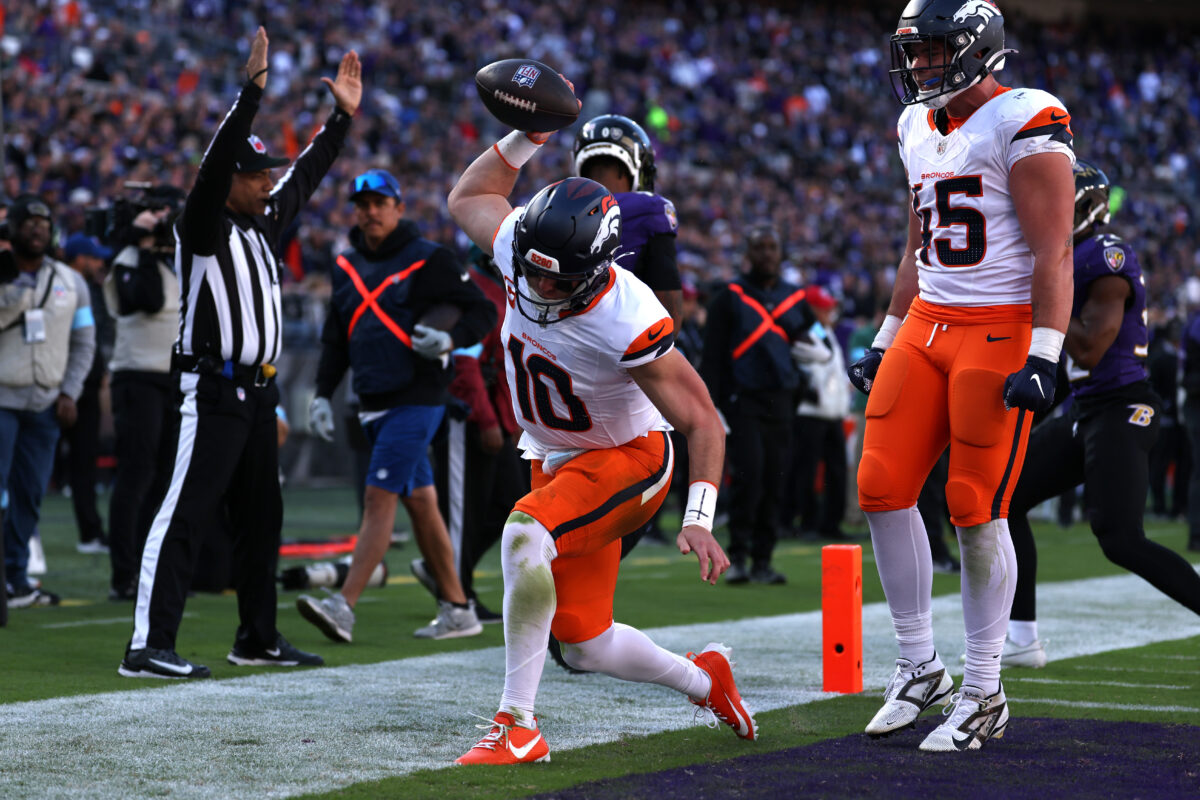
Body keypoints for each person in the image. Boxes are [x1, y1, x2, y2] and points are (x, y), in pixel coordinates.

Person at [445, 108, 755, 764]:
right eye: (530, 269)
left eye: (556, 276)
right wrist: (526, 138)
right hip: (556, 456)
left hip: (628, 455)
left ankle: (517, 726)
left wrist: (699, 516)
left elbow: (701, 417)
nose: (537, 285)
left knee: (524, 533)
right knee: (583, 642)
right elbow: (469, 196)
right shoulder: (523, 250)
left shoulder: (628, 315)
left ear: (592, 269)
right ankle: (706, 681)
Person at [847, 0, 1075, 751]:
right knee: (880, 484)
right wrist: (885, 336)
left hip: (999, 326)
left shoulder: (1026, 116)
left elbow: (1054, 252)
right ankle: (920, 670)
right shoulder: (916, 126)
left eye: (931, 51)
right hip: (927, 323)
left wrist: (1044, 354)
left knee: (974, 504)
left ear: (977, 50)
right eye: (912, 52)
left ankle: (983, 691)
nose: (918, 67)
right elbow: (920, 243)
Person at [119, 27, 360, 678]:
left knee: (263, 519)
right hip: (214, 387)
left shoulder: (263, 226)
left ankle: (257, 636)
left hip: (259, 391)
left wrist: (340, 120)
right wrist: (248, 96)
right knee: (186, 512)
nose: (264, 185)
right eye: (253, 176)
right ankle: (147, 645)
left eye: (264, 176)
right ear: (227, 180)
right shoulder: (201, 226)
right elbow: (211, 169)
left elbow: (306, 175)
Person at [1005, 161, 1200, 668]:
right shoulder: (1067, 255)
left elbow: (1089, 348)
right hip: (1086, 408)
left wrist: (1045, 295)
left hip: (1123, 405)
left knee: (1119, 539)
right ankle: (1022, 638)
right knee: (1004, 498)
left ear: (1086, 206)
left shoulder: (1105, 255)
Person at [297, 168, 495, 642]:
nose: (369, 212)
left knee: (377, 498)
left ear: (398, 207)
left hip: (417, 398)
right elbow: (334, 339)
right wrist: (323, 394)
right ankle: (458, 608)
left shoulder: (430, 259)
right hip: (370, 399)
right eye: (361, 205)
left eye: (378, 203)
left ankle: (343, 605)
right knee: (423, 505)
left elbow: (482, 310)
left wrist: (449, 338)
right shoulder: (344, 267)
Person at [700, 224, 814, 585]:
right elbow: (712, 356)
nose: (767, 254)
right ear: (748, 255)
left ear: (781, 255)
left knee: (776, 480)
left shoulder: (795, 298)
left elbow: (815, 343)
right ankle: (740, 557)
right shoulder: (729, 297)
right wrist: (711, 405)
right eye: (759, 248)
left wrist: (818, 360)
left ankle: (764, 559)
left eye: (772, 247)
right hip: (742, 402)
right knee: (749, 478)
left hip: (782, 403)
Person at [423, 245, 526, 625]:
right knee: (461, 512)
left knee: (507, 504)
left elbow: (502, 363)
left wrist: (508, 422)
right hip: (465, 415)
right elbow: (466, 364)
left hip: (490, 409)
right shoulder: (477, 289)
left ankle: (446, 571)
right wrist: (486, 420)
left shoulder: (500, 291)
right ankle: (456, 594)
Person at [1, 195, 96, 607]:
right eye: (29, 222)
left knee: (30, 493)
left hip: (46, 404)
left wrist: (71, 390)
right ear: (12, 229)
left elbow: (84, 341)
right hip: (2, 399)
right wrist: (14, 291)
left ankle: (16, 579)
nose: (37, 228)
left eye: (44, 221)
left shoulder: (71, 281)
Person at [103, 200, 184, 602]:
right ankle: (124, 573)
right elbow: (148, 299)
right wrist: (143, 245)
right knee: (137, 475)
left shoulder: (175, 260)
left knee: (166, 479)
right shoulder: (128, 259)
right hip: (137, 376)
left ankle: (151, 568)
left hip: (171, 377)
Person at [573, 114, 682, 327]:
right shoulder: (649, 208)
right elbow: (670, 315)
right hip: (617, 343)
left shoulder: (547, 206)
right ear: (628, 168)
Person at [785, 284, 852, 541]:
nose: (829, 313)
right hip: (810, 412)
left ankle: (830, 523)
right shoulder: (803, 332)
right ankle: (809, 523)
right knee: (807, 471)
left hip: (832, 412)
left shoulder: (823, 331)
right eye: (823, 308)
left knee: (836, 472)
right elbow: (816, 360)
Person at [61, 232, 114, 556]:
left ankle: (91, 530)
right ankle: (89, 532)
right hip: (67, 384)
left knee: (84, 460)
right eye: (94, 258)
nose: (99, 263)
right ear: (79, 258)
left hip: (80, 382)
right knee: (80, 461)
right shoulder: (68, 286)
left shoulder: (88, 287)